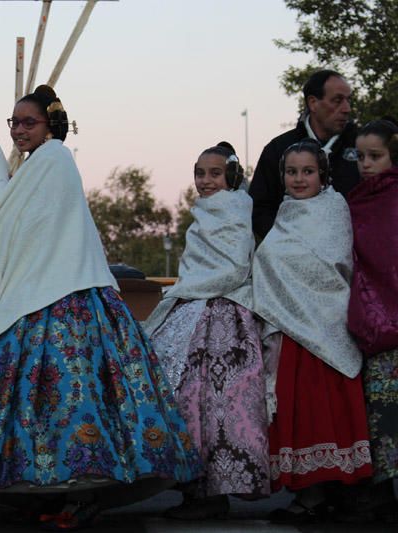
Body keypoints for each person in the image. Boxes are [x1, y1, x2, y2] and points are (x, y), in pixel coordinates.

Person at [0, 85, 200, 531]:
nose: (20, 131)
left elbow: (30, 224)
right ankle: (49, 494)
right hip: (49, 289)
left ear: (51, 126)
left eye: (29, 123)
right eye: (14, 123)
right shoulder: (31, 167)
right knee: (69, 399)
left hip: (60, 292)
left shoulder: (53, 159)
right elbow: (19, 223)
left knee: (66, 398)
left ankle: (77, 493)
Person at [144, 143, 269, 519]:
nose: (206, 181)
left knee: (217, 407)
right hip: (196, 309)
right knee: (187, 400)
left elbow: (233, 267)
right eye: (200, 173)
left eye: (215, 173)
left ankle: (212, 493)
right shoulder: (202, 215)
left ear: (230, 176)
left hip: (224, 318)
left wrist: (185, 292)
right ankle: (194, 490)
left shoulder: (236, 211)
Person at [252, 139, 372, 524]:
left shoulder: (336, 209)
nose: (299, 179)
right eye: (291, 172)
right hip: (290, 331)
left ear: (323, 173)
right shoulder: (284, 214)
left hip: (327, 329)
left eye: (307, 171)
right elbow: (272, 267)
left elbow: (336, 265)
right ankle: (309, 493)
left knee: (325, 414)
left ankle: (332, 493)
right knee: (297, 414)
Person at [342, 119, 398, 521]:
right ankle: (380, 495)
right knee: (377, 411)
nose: (366, 164)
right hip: (375, 324)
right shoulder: (356, 199)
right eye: (360, 156)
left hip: (387, 313)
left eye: (375, 156)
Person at [249, 70, 359, 238]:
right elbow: (259, 208)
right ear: (313, 103)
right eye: (337, 100)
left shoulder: (363, 147)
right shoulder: (278, 149)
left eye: (348, 100)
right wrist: (289, 242)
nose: (346, 108)